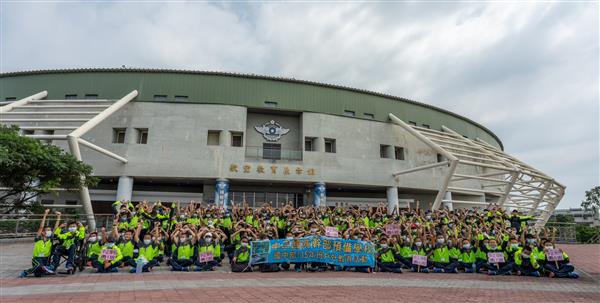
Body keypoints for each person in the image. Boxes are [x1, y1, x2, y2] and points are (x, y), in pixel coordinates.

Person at [20, 209, 55, 277]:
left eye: (50, 230)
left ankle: (41, 269)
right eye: (47, 230)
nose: (49, 231)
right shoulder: (38, 239)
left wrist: (59, 217)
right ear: (42, 232)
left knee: (39, 274)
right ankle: (26, 272)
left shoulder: (50, 239)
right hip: (37, 258)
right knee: (39, 266)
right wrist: (45, 214)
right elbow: (41, 227)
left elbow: (56, 227)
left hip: (45, 259)